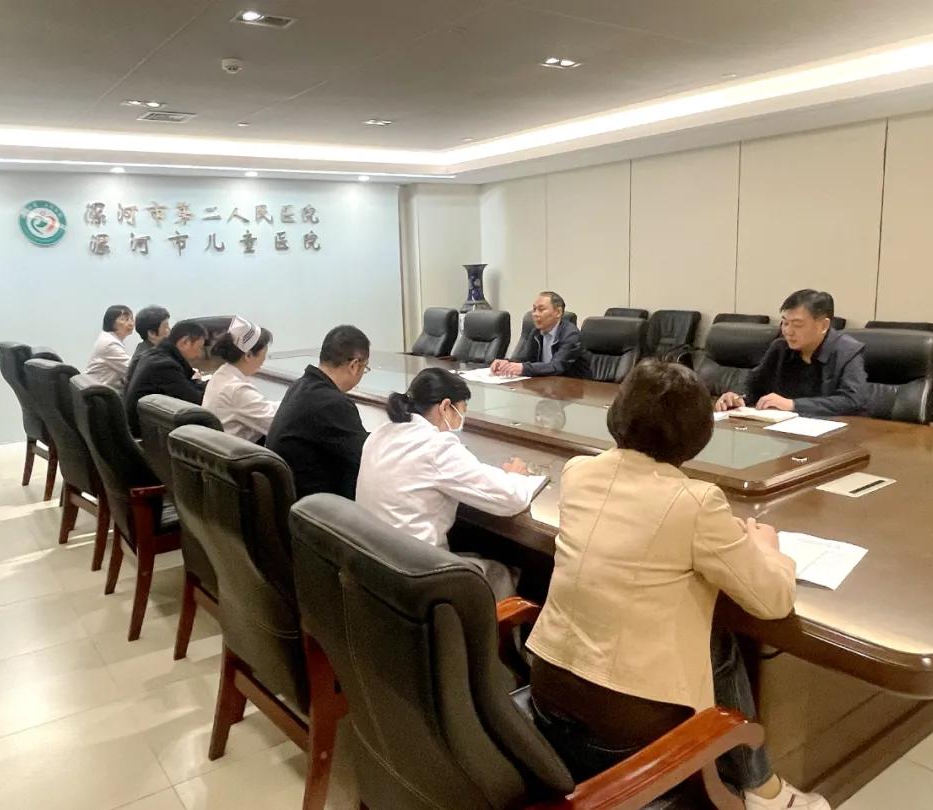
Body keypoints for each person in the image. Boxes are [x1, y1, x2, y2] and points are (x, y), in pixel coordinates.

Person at [526, 360, 830, 810]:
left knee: (698, 632)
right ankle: (762, 790)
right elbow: (773, 599)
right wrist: (769, 550)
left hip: (547, 696)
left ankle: (755, 786)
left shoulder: (578, 473)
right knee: (718, 640)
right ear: (698, 434)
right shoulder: (696, 502)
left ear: (616, 415)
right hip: (623, 727)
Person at [356, 368, 541, 598]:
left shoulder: (380, 433)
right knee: (505, 573)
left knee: (473, 553)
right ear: (445, 407)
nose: (460, 420)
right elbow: (512, 499)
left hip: (377, 568)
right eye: (460, 411)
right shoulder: (436, 447)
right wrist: (516, 475)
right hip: (417, 579)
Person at [715, 289, 866, 417]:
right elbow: (753, 383)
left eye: (797, 324)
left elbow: (852, 401)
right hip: (781, 430)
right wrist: (736, 396)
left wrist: (793, 405)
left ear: (823, 325)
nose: (788, 331)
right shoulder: (780, 348)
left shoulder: (847, 352)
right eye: (785, 323)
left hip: (832, 433)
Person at [267, 325, 371, 500]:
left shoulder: (299, 386)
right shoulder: (333, 403)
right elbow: (366, 460)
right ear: (354, 365)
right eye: (365, 368)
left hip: (291, 500)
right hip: (316, 506)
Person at [123, 320, 208, 436]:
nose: (199, 354)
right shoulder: (163, 366)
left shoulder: (153, 355)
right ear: (185, 342)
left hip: (148, 430)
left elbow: (186, 385)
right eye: (199, 348)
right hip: (145, 437)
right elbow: (196, 401)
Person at [201, 316, 278, 443]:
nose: (264, 361)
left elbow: (261, 408)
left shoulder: (223, 374)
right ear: (248, 355)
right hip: (235, 453)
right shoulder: (236, 389)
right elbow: (276, 424)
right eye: (264, 355)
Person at [490, 291, 589, 378]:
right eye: (534, 309)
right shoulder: (536, 332)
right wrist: (507, 363)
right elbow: (525, 359)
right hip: (547, 384)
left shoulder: (571, 335)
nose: (535, 314)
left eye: (541, 310)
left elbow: (556, 366)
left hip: (575, 388)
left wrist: (523, 368)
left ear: (558, 312)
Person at [84, 305, 134, 392]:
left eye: (132, 319)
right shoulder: (110, 343)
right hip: (100, 394)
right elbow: (131, 369)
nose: (131, 323)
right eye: (125, 319)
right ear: (111, 322)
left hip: (100, 388)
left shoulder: (109, 338)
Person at [125, 305, 171, 386]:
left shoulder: (144, 349)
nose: (169, 331)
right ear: (152, 333)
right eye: (165, 327)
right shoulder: (153, 358)